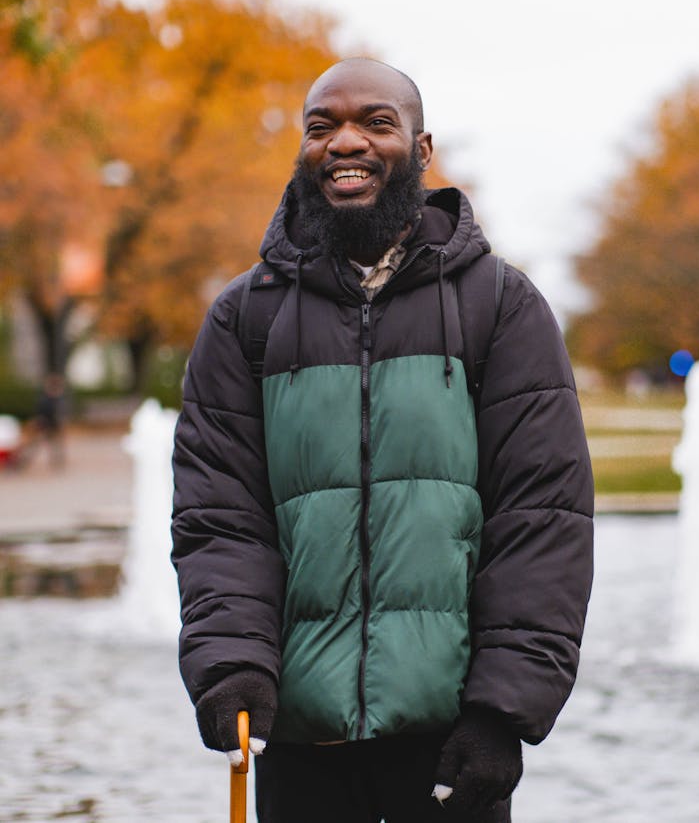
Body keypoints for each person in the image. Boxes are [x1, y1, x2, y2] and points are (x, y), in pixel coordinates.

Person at [171, 58, 594, 823]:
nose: (345, 143)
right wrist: (230, 664)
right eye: (321, 126)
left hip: (450, 736)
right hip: (297, 736)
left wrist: (504, 709)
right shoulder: (244, 318)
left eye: (376, 122)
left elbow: (543, 517)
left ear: (422, 150)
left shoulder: (502, 305)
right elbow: (218, 517)